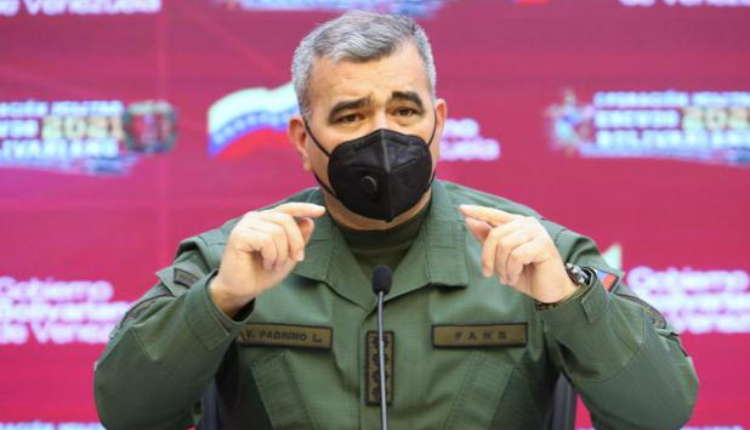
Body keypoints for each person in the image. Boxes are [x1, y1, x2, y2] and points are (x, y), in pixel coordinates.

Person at [94, 11, 698, 430]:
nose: (383, 133)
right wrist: (220, 301)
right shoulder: (230, 260)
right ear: (303, 139)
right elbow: (126, 411)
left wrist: (566, 300)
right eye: (351, 116)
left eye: (405, 110)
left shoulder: (539, 254)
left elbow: (661, 412)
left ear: (439, 122)